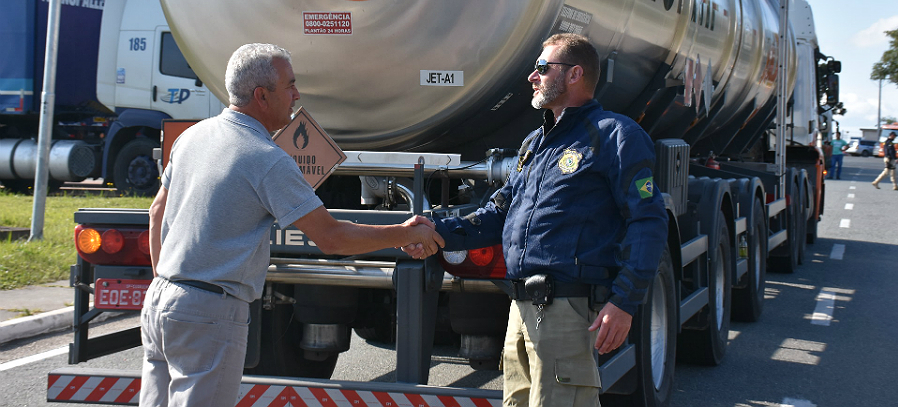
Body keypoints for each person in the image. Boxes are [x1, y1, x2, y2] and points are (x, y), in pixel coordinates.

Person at [140, 43, 444, 407]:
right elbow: (331, 238)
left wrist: (167, 285)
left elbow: (156, 213)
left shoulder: (193, 136)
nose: (297, 95)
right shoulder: (266, 159)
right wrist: (406, 233)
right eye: (290, 85)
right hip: (210, 311)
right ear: (261, 96)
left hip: (160, 300)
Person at [413, 33, 668, 407]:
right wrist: (436, 231)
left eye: (542, 68)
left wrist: (625, 302)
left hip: (568, 311)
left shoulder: (616, 136)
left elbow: (648, 221)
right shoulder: (535, 143)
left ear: (574, 74)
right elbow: (498, 213)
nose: (532, 77)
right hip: (521, 311)